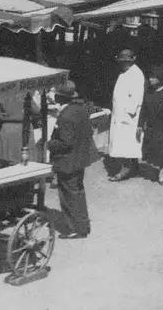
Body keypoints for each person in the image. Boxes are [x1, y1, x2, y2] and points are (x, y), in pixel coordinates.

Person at [47, 81, 98, 239]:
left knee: (69, 195)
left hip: (68, 161)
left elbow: (65, 143)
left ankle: (76, 228)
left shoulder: (66, 116)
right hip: (79, 159)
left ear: (58, 97)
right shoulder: (80, 110)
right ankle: (82, 225)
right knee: (77, 192)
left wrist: (48, 144)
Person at [106, 48, 144, 182]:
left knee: (127, 142)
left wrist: (128, 112)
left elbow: (137, 97)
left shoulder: (136, 74)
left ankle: (126, 169)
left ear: (132, 61)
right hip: (120, 112)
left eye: (126, 61)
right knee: (125, 142)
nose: (123, 63)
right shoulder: (125, 72)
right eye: (122, 61)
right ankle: (134, 166)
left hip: (128, 115)